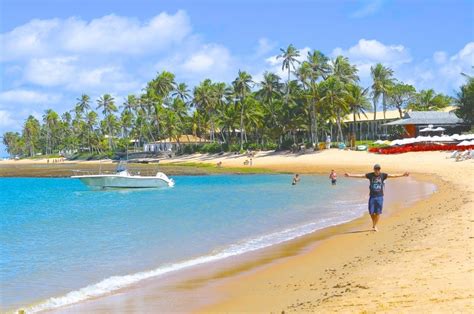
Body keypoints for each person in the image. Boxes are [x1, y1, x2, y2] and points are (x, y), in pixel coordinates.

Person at [345, 164, 409, 232]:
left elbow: (393, 175)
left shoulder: (382, 175)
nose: (377, 170)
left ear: (379, 170)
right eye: (376, 169)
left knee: (378, 212)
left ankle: (375, 225)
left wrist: (403, 175)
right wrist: (350, 175)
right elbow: (361, 176)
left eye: (378, 169)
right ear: (374, 169)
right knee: (371, 212)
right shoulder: (370, 175)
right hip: (372, 196)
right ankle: (374, 223)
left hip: (380, 196)